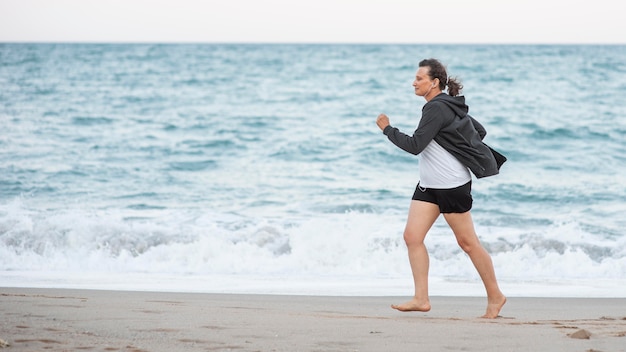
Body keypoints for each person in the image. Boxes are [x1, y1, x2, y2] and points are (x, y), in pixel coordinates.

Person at [376, 58, 506, 319]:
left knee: (468, 243)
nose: (414, 82)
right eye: (415, 78)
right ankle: (421, 299)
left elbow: (415, 146)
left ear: (434, 83)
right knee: (412, 237)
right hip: (429, 185)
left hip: (450, 186)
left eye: (420, 78)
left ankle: (496, 296)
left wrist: (387, 129)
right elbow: (478, 130)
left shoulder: (436, 108)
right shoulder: (445, 106)